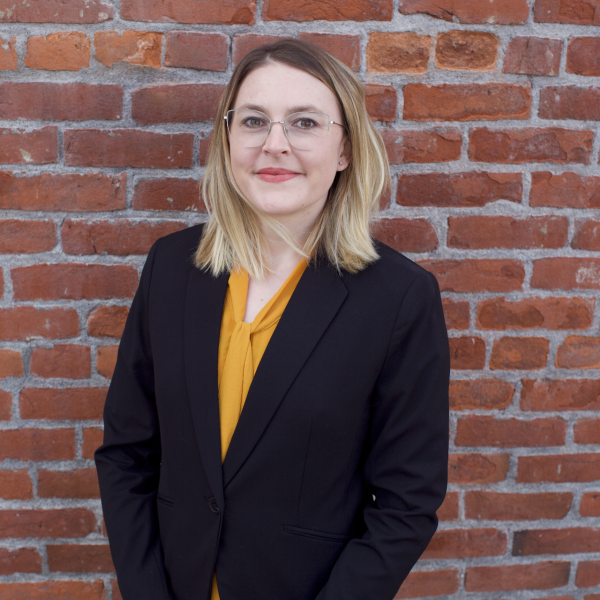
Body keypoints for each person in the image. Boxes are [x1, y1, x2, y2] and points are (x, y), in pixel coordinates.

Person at [95, 38, 450, 600]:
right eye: (255, 120)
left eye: (304, 122)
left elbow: (407, 504)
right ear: (228, 138)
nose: (274, 144)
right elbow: (126, 454)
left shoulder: (399, 299)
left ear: (345, 150)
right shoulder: (172, 267)